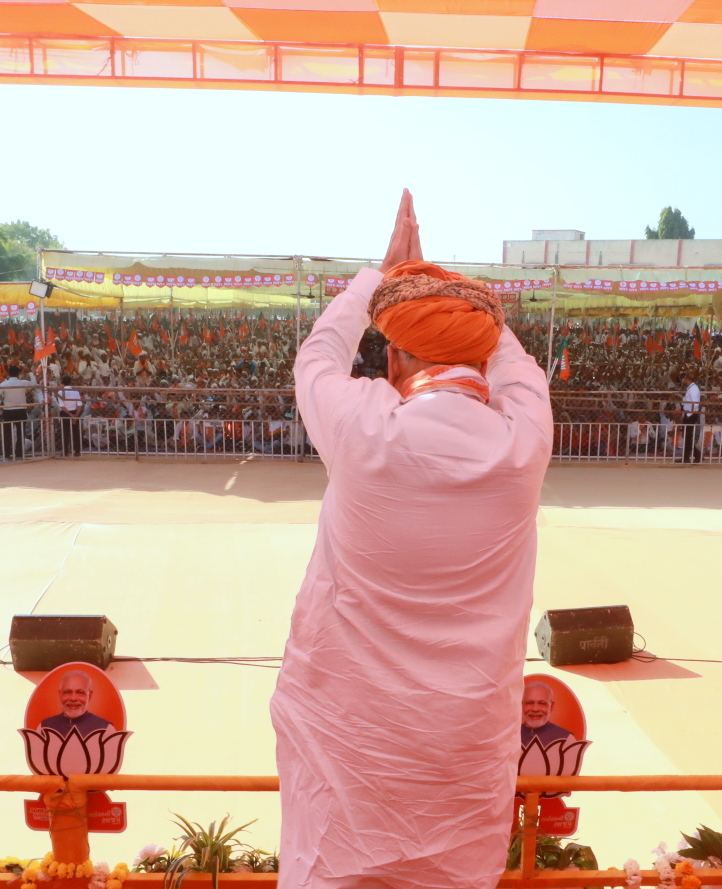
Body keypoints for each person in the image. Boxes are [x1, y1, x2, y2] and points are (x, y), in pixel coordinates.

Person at [269, 191, 552, 889]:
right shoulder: (524, 443)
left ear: (392, 363)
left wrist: (383, 275)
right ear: (483, 359)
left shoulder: (366, 430)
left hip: (348, 756)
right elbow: (517, 368)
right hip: (460, 764)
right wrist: (457, 301)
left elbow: (317, 358)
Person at [39, 670, 114, 735]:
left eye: (80, 692)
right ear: (60, 695)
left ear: (89, 696)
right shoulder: (44, 727)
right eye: (67, 692)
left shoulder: (106, 729)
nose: (73, 698)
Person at [520, 681, 577, 746]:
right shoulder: (510, 736)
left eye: (542, 703)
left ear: (551, 706)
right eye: (529, 703)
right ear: (522, 705)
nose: (535, 709)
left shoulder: (566, 739)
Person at [0, 364, 33, 459]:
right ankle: (19, 454)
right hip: (21, 410)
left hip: (8, 410)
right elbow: (33, 384)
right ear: (18, 373)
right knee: (21, 433)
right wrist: (31, 374)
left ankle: (6, 455)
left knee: (7, 433)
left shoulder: (4, 384)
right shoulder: (23, 383)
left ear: (8, 373)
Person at [54, 374, 84, 457]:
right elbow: (79, 405)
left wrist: (70, 414)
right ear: (70, 382)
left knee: (65, 432)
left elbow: (62, 406)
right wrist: (75, 416)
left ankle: (65, 451)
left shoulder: (61, 392)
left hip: (65, 412)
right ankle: (77, 451)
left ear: (62, 383)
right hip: (75, 412)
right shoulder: (75, 391)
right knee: (76, 432)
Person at [679, 372, 701, 463]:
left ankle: (691, 456)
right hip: (689, 414)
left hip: (690, 415)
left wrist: (689, 415)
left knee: (688, 436)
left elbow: (695, 404)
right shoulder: (691, 388)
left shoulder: (693, 389)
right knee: (687, 436)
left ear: (688, 379)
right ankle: (691, 455)